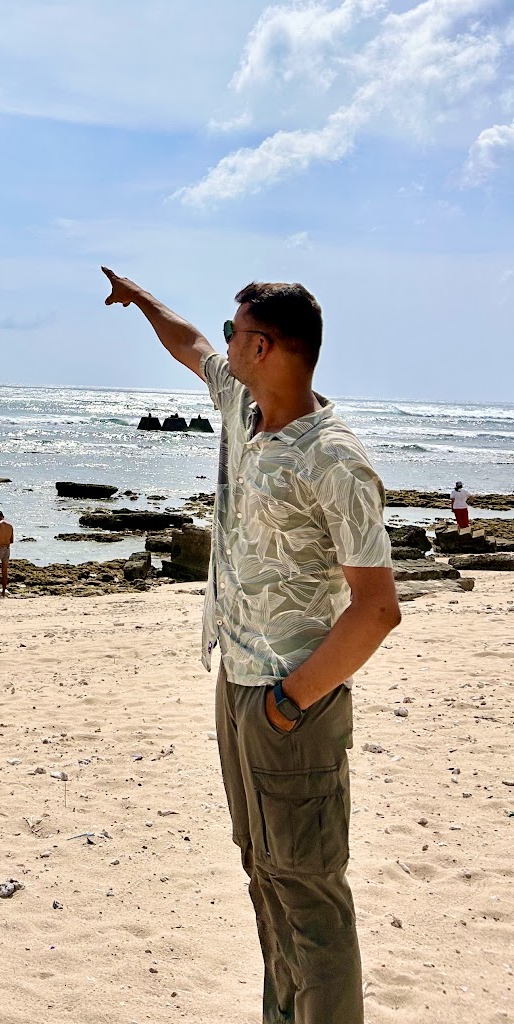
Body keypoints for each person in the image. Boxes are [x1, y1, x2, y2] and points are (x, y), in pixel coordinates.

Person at [102, 268, 400, 1024]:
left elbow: (377, 609)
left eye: (238, 332)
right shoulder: (245, 406)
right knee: (263, 874)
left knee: (308, 890)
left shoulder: (333, 459)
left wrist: (289, 702)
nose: (226, 341)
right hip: (239, 684)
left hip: (293, 702)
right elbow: (191, 345)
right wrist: (142, 302)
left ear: (264, 345)